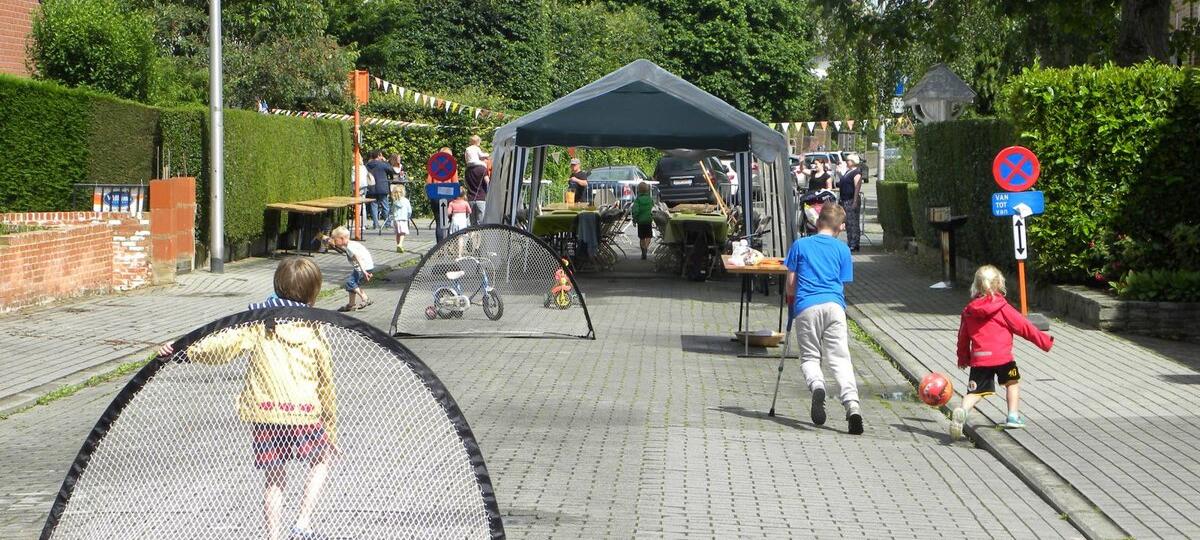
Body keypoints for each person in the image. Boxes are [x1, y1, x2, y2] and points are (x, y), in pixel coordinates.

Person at [156, 257, 338, 540]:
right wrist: (331, 427)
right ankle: (303, 522)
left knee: (274, 477)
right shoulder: (314, 327)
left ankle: (273, 536)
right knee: (322, 458)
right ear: (313, 292)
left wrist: (184, 351)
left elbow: (222, 345)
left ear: (277, 285)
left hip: (266, 413)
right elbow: (325, 381)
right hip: (305, 412)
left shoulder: (258, 321)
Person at [950, 265, 1054, 439]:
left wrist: (963, 358)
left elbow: (963, 337)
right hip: (1003, 358)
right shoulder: (1003, 307)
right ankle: (1013, 416)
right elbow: (1024, 327)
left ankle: (963, 410)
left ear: (976, 285)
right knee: (1012, 383)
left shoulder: (968, 311)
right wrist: (1044, 342)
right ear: (999, 284)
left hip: (980, 359)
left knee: (974, 392)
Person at [784, 203, 862, 435]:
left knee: (810, 356)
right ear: (840, 228)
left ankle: (818, 385)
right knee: (840, 359)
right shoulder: (843, 250)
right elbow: (842, 282)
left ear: (817, 222)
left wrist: (792, 301)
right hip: (834, 307)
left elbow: (790, 285)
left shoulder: (800, 245)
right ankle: (852, 405)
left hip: (807, 306)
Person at [328, 226, 374, 312]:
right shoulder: (350, 244)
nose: (334, 242)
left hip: (363, 268)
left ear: (342, 239)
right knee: (352, 285)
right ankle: (351, 304)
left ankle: (365, 298)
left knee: (350, 283)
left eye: (335, 240)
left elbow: (359, 258)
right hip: (365, 267)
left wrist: (364, 271)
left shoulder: (350, 247)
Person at [838, 153, 864, 251]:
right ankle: (850, 242)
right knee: (848, 223)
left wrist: (855, 201)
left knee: (853, 222)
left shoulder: (856, 173)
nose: (846, 162)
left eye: (848, 160)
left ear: (853, 162)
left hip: (851, 199)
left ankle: (854, 243)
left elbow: (857, 187)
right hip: (845, 199)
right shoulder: (848, 172)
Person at [464, 135, 490, 225]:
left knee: (472, 224)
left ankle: (473, 235)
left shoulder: (467, 170)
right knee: (481, 224)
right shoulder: (482, 169)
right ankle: (479, 235)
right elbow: (488, 182)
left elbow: (466, 183)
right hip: (481, 199)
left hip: (470, 199)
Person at [365, 150, 393, 231]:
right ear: (378, 156)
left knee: (374, 206)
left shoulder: (368, 165)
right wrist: (386, 161)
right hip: (382, 188)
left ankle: (376, 224)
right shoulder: (382, 164)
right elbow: (391, 170)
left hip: (372, 188)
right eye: (381, 155)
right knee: (385, 206)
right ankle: (387, 224)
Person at [631, 182, 655, 260]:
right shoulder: (650, 199)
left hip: (640, 221)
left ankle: (643, 251)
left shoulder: (637, 200)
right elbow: (653, 208)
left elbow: (635, 211)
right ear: (647, 190)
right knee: (649, 236)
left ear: (638, 190)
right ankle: (646, 248)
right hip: (648, 220)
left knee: (642, 238)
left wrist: (634, 219)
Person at [391, 184, 412, 253]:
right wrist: (408, 217)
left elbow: (392, 210)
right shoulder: (406, 201)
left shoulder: (395, 202)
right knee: (403, 233)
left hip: (396, 220)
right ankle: (400, 244)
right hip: (403, 219)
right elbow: (409, 211)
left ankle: (398, 245)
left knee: (397, 233)